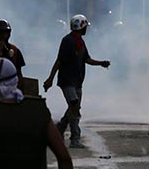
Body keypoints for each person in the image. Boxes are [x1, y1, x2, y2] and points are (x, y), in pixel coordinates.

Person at [43, 14, 111, 149]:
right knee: (74, 107)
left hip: (77, 82)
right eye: (85, 27)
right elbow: (59, 61)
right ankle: (75, 138)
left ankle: (60, 128)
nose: (86, 29)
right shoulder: (68, 41)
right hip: (67, 80)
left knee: (74, 108)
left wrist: (101, 63)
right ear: (81, 27)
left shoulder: (80, 42)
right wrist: (50, 79)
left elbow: (87, 59)